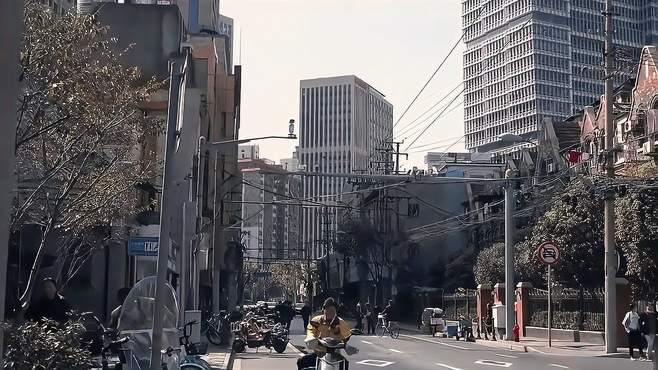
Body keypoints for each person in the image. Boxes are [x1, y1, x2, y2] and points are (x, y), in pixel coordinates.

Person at [297, 298, 352, 370]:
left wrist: (346, 344)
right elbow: (310, 331)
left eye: (332, 310)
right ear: (324, 310)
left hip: (335, 355)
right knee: (301, 361)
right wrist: (311, 339)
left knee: (345, 363)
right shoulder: (316, 321)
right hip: (319, 354)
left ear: (336, 311)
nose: (329, 312)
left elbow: (346, 335)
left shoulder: (341, 323)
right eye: (327, 309)